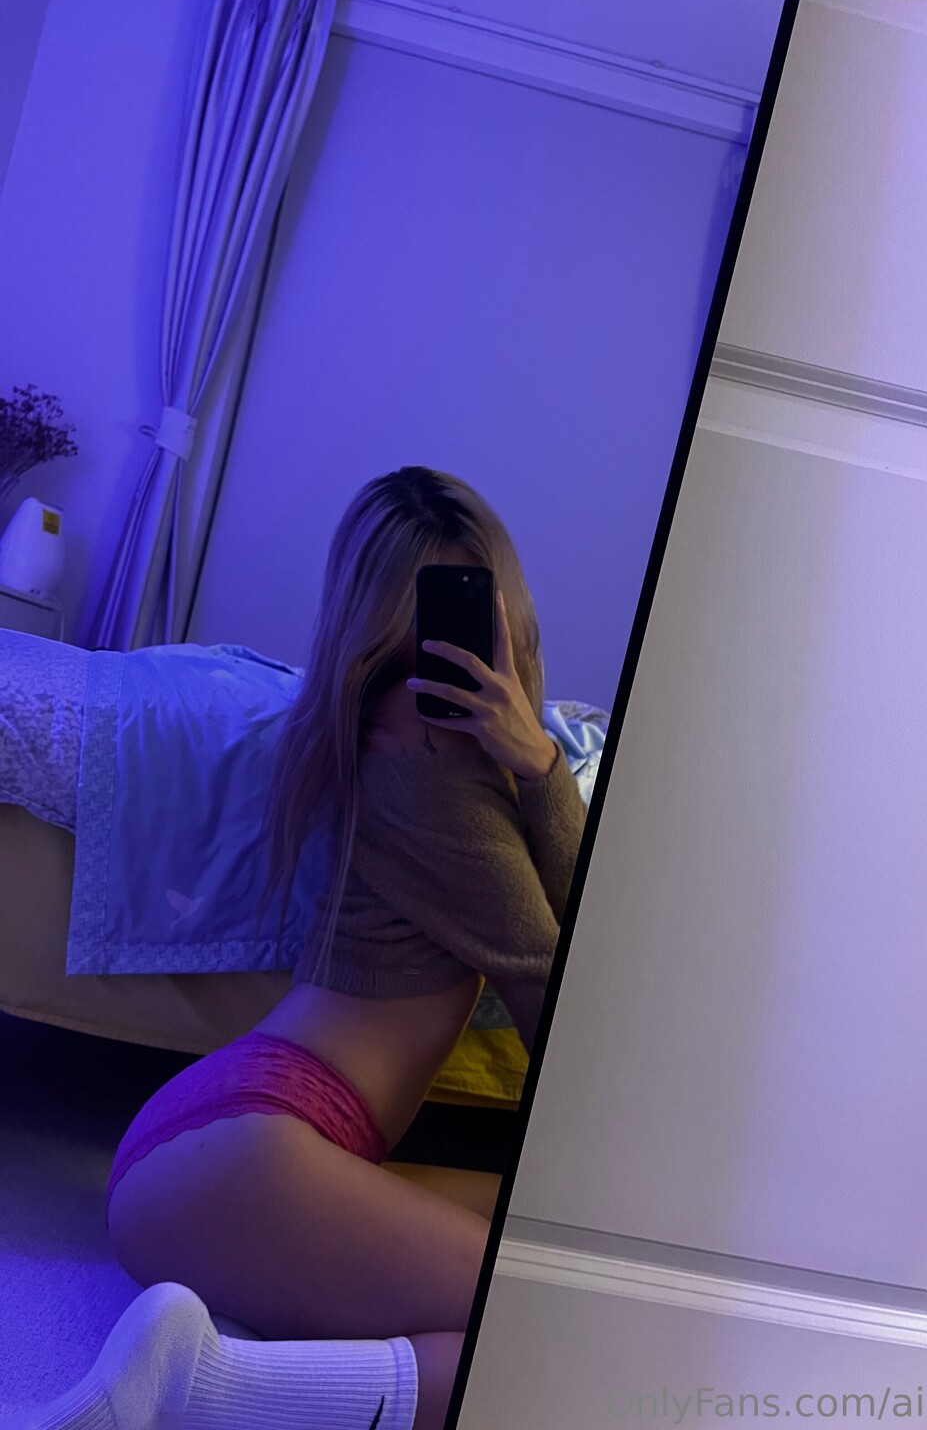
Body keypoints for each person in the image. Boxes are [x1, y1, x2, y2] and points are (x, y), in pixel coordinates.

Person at [11, 468, 585, 1430]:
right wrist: (542, 765)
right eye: (428, 621)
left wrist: (534, 766)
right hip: (258, 1151)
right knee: (552, 1329)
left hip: (228, 1141)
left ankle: (214, 1356)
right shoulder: (436, 766)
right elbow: (557, 988)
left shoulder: (368, 727)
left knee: (554, 1249)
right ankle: (202, 1389)